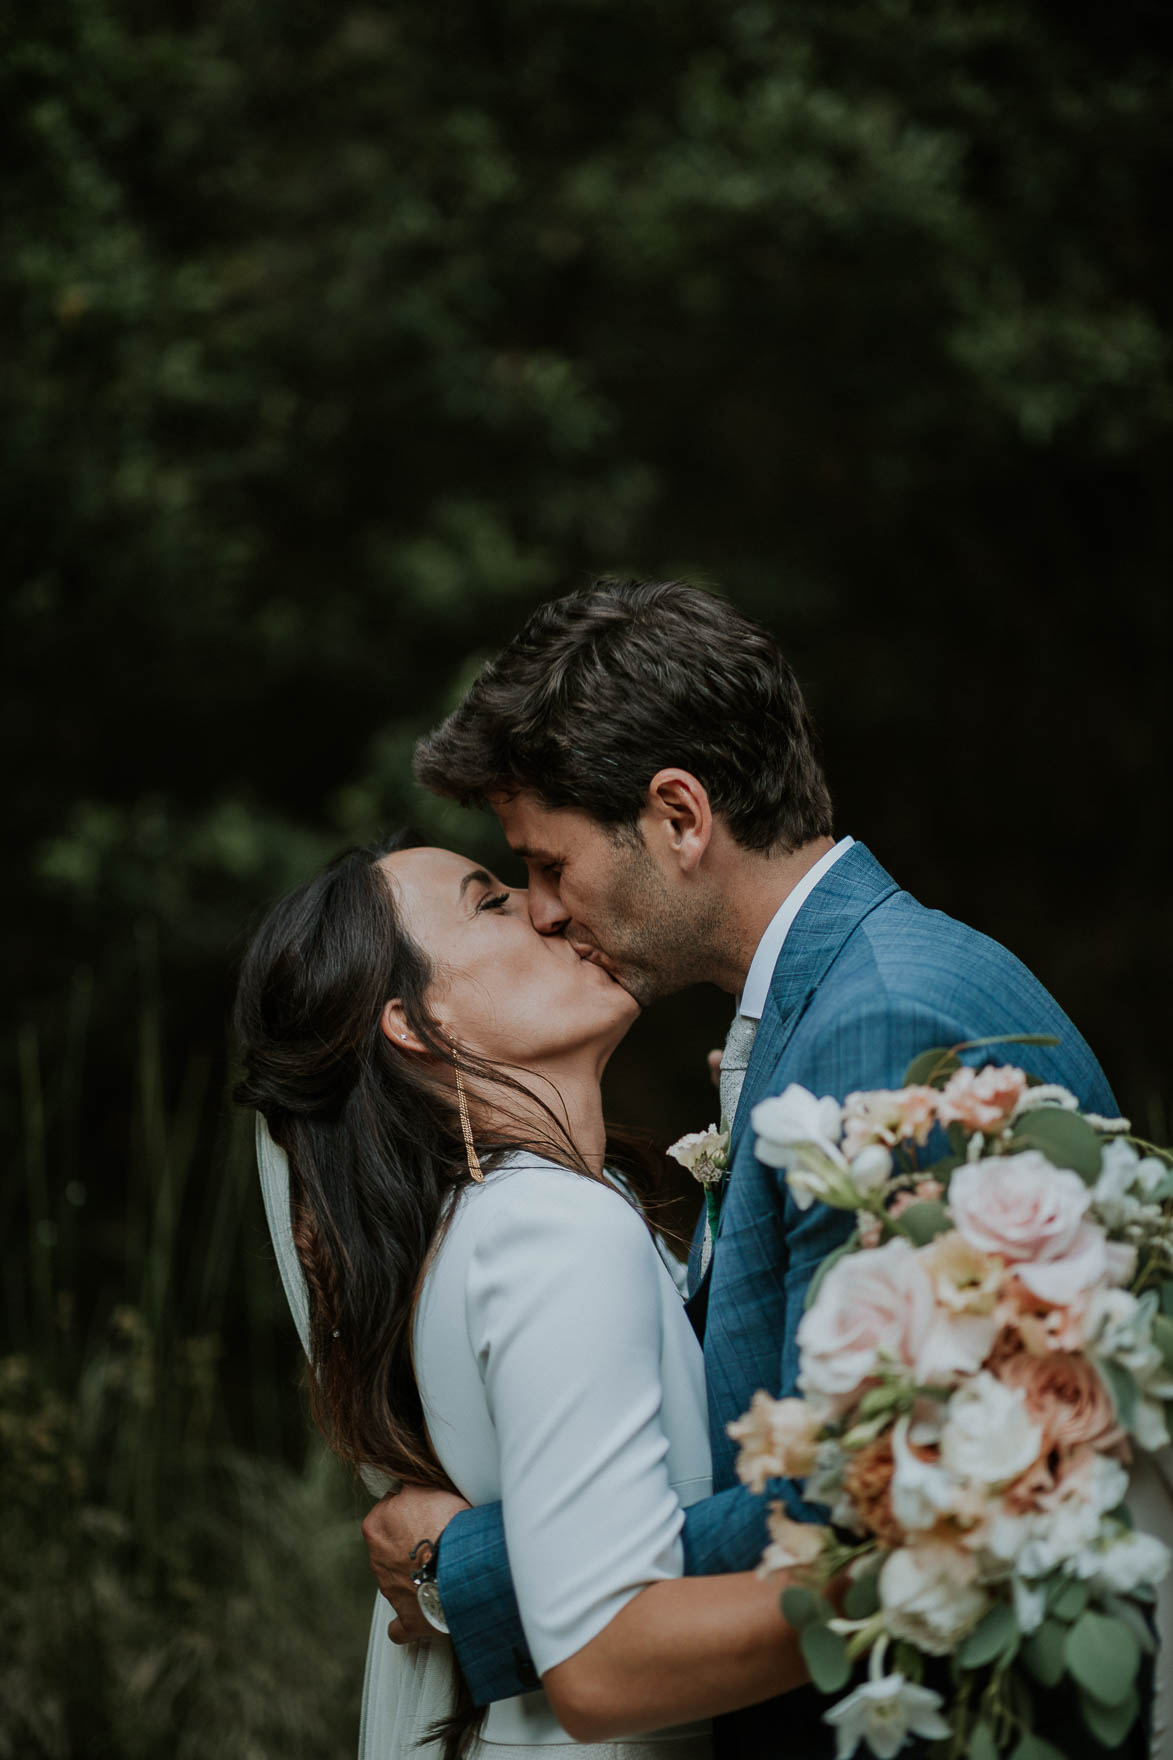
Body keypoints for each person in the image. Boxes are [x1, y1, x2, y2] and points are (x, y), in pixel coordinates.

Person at [363, 578, 1126, 1760]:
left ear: (678, 815)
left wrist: (470, 1565)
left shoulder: (885, 1028)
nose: (547, 911)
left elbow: (873, 1514)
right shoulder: (843, 1004)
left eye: (549, 862)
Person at [235, 836, 813, 1760]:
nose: (549, 909)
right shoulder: (547, 1231)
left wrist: (454, 1565)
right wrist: (901, 1579)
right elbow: (603, 1654)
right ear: (416, 1025)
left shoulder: (500, 1224)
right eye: (491, 902)